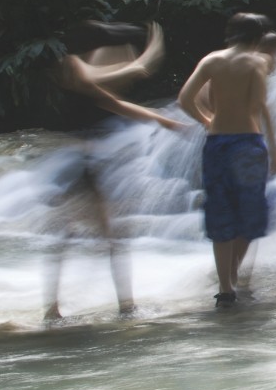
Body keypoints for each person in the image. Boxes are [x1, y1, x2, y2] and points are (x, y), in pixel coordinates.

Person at [44, 21, 186, 321]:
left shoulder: (86, 79)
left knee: (87, 238)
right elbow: (97, 79)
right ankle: (119, 306)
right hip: (75, 164)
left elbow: (116, 104)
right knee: (91, 238)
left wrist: (164, 120)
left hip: (85, 164)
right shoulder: (71, 64)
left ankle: (114, 305)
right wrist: (139, 64)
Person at [178, 13, 276, 307]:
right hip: (248, 144)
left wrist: (206, 119)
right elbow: (258, 103)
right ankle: (235, 273)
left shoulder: (211, 60)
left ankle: (225, 289)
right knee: (249, 212)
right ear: (258, 37)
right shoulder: (257, 63)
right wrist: (275, 149)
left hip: (217, 143)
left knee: (220, 211)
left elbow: (184, 98)